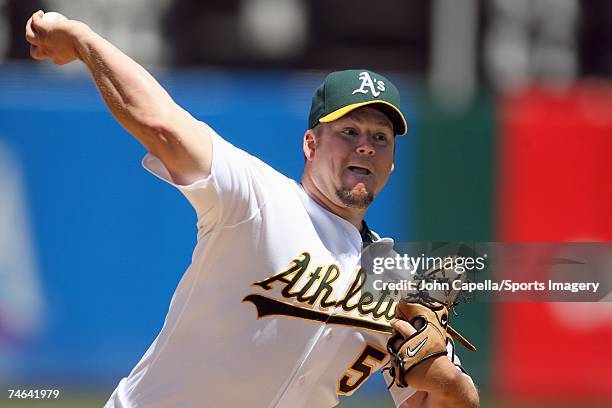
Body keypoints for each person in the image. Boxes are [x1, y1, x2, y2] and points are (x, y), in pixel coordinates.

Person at [25, 10, 479, 408]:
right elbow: (158, 122)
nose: (365, 147)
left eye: (380, 138)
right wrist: (83, 41)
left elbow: (452, 400)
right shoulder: (257, 197)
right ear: (311, 144)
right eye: (349, 131)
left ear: (392, 162)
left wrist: (441, 375)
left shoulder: (392, 280)